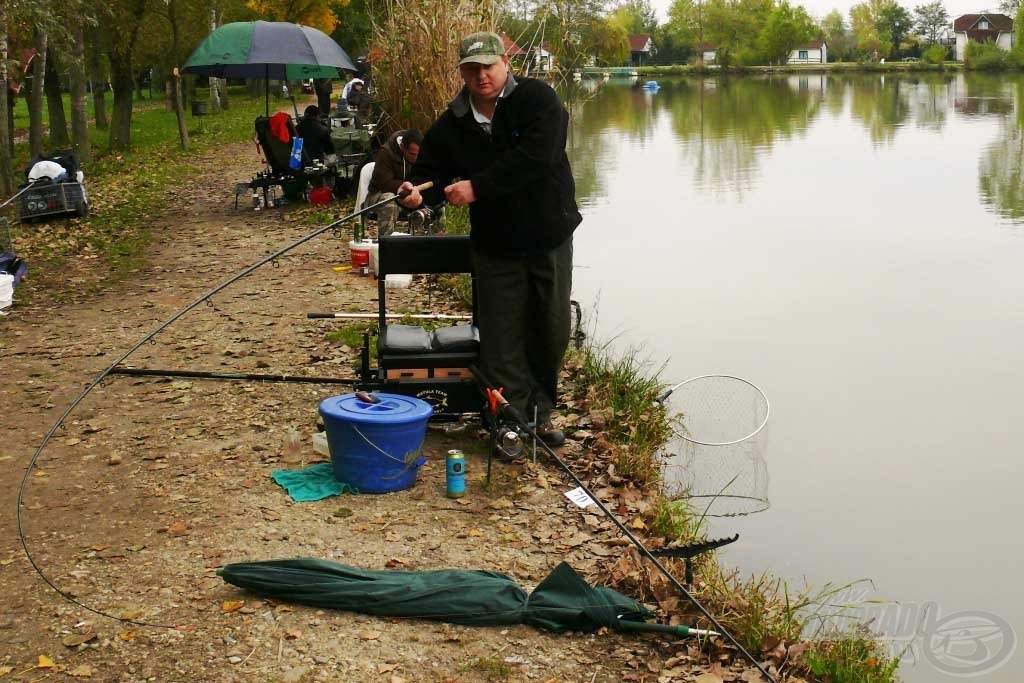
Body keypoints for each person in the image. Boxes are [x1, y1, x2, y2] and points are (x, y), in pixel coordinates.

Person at [398, 31, 581, 446]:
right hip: (496, 243)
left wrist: (477, 187)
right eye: (472, 68)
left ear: (505, 64)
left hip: (548, 235)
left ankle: (542, 412)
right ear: (461, 72)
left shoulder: (538, 100)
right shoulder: (453, 122)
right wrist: (414, 194)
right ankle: (510, 418)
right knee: (501, 337)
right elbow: (430, 171)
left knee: (550, 328)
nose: (482, 76)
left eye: (488, 66)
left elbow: (538, 157)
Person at [366, 129, 422, 235]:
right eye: (412, 154)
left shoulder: (422, 154)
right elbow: (384, 184)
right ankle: (387, 241)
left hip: (409, 193)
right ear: (402, 147)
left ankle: (437, 239)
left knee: (436, 202)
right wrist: (403, 187)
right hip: (379, 194)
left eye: (418, 154)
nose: (416, 158)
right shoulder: (386, 152)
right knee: (389, 199)